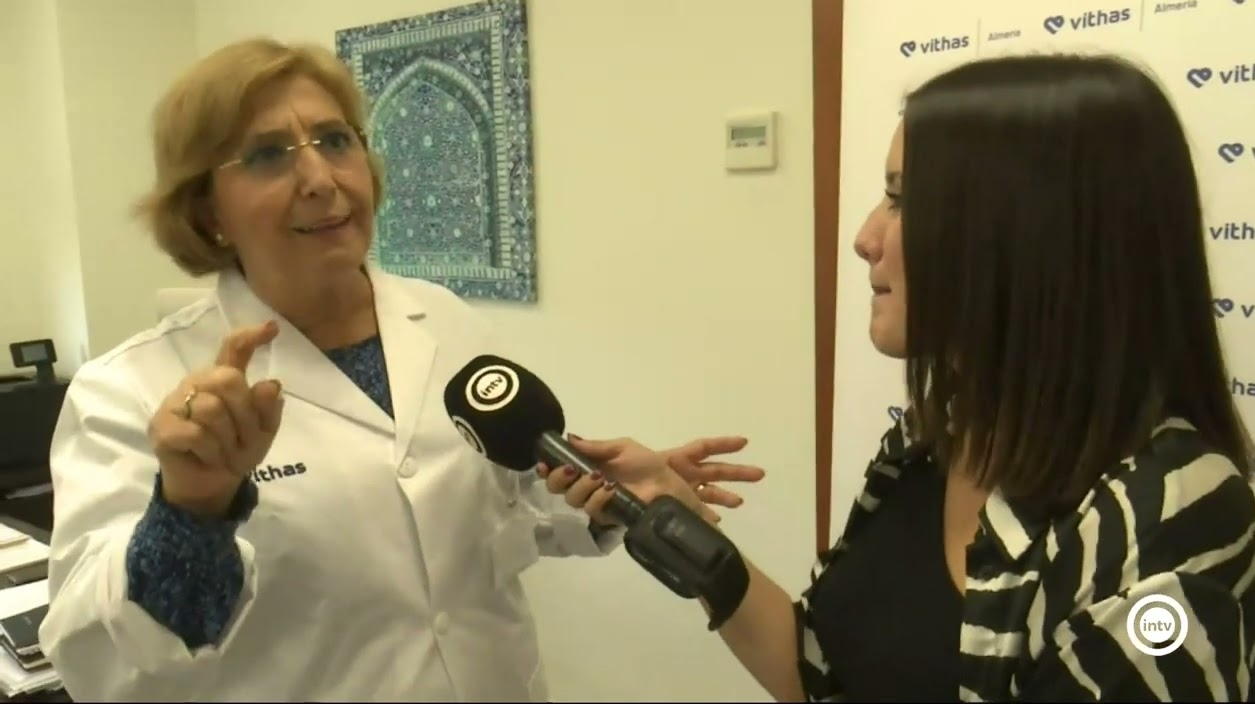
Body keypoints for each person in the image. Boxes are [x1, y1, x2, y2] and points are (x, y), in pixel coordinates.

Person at [36, 37, 764, 702]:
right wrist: (190, 511)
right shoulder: (131, 392)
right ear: (207, 212)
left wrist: (608, 495)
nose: (320, 177)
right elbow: (97, 660)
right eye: (268, 155)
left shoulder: (443, 321)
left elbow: (505, 500)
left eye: (335, 140)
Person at [538, 53, 1255, 702]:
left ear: (1027, 237)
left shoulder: (1167, 519)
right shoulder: (928, 443)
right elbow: (819, 672)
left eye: (902, 199)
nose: (865, 238)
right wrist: (676, 521)